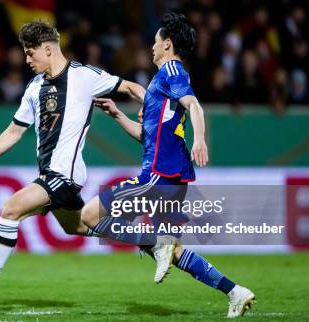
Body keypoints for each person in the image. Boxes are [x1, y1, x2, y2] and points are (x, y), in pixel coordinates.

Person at [0, 20, 146, 304]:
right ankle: (146, 238)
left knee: (11, 209)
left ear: (47, 49)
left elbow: (129, 86)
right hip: (50, 173)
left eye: (31, 54)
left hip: (64, 175)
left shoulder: (83, 76)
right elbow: (14, 131)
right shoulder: (34, 87)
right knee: (77, 227)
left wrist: (150, 107)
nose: (27, 60)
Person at [80, 13, 256, 318]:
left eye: (155, 41)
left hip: (159, 175)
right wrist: (118, 115)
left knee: (88, 216)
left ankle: (152, 241)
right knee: (174, 252)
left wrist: (199, 139)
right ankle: (235, 292)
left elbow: (195, 105)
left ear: (167, 44)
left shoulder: (172, 69)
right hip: (172, 179)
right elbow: (147, 136)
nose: (151, 46)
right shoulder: (160, 87)